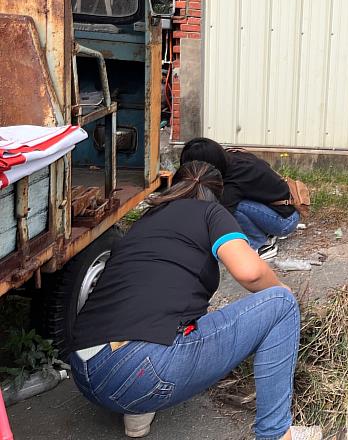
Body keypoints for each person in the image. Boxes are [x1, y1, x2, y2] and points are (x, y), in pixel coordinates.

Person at [67, 161, 319, 440]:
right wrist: (283, 293)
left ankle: (136, 417)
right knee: (281, 305)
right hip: (141, 369)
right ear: (217, 195)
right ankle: (276, 433)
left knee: (163, 314)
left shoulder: (147, 219)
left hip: (84, 369)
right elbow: (250, 273)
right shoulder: (211, 212)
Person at [180, 137, 299, 260]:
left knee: (230, 208)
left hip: (285, 221)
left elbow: (218, 216)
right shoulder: (231, 156)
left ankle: (262, 244)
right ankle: (264, 231)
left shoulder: (234, 180)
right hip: (279, 208)